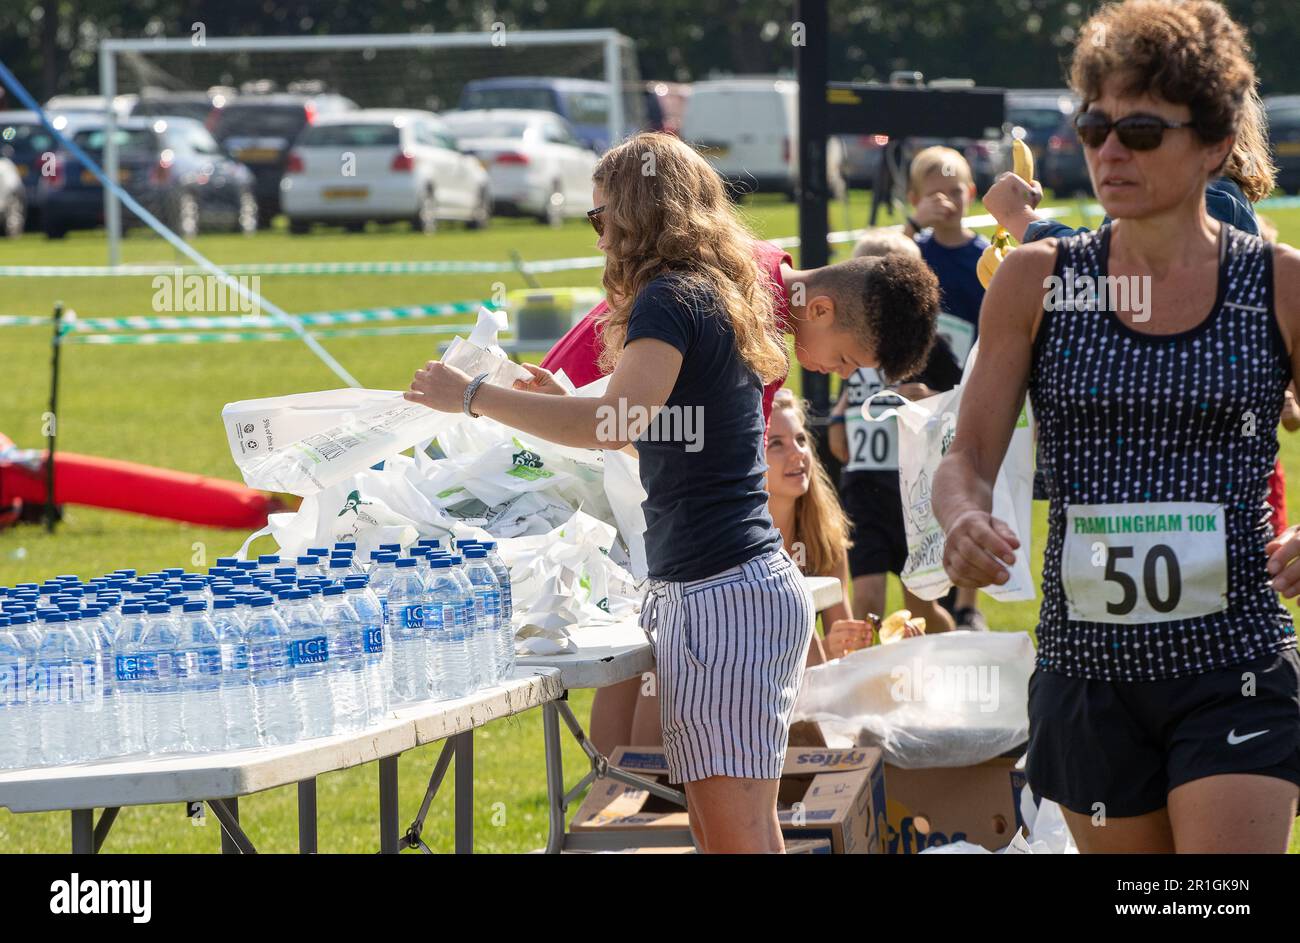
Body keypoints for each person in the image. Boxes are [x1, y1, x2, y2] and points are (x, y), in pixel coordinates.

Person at [407, 132, 938, 852]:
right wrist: (558, 396)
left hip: (721, 594)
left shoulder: (670, 298)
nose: (599, 237)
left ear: (636, 213)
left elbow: (613, 421)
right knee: (741, 833)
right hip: (736, 590)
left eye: (601, 219)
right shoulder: (722, 295)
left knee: (733, 836)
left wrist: (472, 394)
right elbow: (659, 435)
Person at [934, 0, 1300, 853]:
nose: (1106, 151)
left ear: (1212, 142)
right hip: (1088, 674)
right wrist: (962, 519)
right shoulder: (1036, 281)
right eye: (1095, 125)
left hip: (1233, 662)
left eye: (1140, 130)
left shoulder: (1276, 284)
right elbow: (969, 457)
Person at [539, 200, 941, 757]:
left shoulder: (759, 264)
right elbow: (705, 469)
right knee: (653, 680)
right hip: (564, 462)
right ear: (820, 310)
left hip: (579, 445)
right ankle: (616, 810)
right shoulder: (757, 332)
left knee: (645, 665)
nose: (837, 374)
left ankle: (613, 806)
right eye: (847, 359)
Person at [985, 81, 1291, 538]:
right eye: (1098, 127)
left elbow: (1133, 288)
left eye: (1140, 127)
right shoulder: (1156, 202)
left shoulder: (1213, 200)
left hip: (1190, 482)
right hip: (1131, 484)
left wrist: (1028, 226)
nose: (1115, 145)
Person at [828, 229, 957, 633]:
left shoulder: (929, 345)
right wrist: (838, 419)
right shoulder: (845, 339)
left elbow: (962, 400)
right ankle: (873, 686)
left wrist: (927, 396)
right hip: (864, 487)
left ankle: (949, 663)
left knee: (921, 603)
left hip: (915, 491)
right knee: (865, 601)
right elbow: (846, 410)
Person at [900, 146, 990, 631]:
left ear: (972, 193)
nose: (948, 202)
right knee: (922, 495)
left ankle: (967, 603)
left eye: (956, 191)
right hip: (918, 394)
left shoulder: (985, 257)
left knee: (972, 490)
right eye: (934, 194)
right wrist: (914, 227)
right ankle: (922, 599)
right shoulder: (916, 250)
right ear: (914, 198)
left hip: (970, 392)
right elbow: (879, 270)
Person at [765, 387, 879, 661]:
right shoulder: (737, 542)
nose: (797, 454)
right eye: (776, 444)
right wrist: (825, 651)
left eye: (801, 439)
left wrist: (857, 641)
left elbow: (846, 652)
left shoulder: (824, 536)